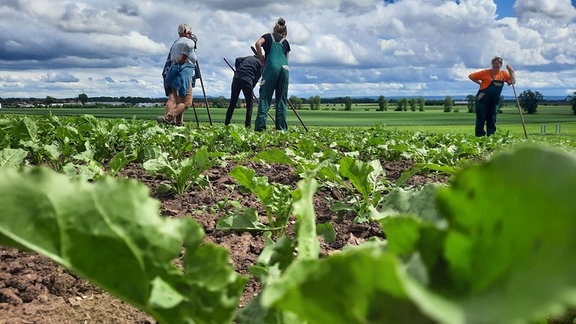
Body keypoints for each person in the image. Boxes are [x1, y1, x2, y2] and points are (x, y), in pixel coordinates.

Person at [254, 18, 291, 131]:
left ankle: (260, 129)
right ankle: (281, 129)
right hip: (284, 69)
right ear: (284, 33)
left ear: (275, 30)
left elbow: (257, 44)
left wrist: (261, 58)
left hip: (271, 68)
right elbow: (286, 60)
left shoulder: (267, 36)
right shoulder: (286, 42)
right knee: (281, 100)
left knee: (265, 98)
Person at [157, 23, 198, 126]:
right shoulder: (189, 42)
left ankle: (179, 124)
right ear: (187, 32)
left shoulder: (176, 42)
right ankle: (168, 118)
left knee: (180, 102)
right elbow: (189, 46)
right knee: (187, 103)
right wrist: (184, 58)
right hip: (183, 74)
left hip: (173, 72)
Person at [468, 56, 515, 137]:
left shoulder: (504, 74)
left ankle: (491, 136)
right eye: (494, 63)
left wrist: (511, 70)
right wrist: (480, 83)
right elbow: (471, 76)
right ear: (492, 64)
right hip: (482, 99)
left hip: (494, 100)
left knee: (492, 118)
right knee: (481, 118)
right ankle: (480, 136)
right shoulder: (485, 73)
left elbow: (512, 82)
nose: (496, 65)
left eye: (498, 63)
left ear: (501, 65)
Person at [224, 54, 262, 127]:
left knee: (233, 102)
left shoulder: (249, 57)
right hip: (247, 80)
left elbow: (237, 59)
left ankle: (227, 123)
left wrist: (237, 70)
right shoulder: (260, 65)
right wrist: (252, 86)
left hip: (237, 77)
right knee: (249, 105)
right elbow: (257, 78)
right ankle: (248, 125)